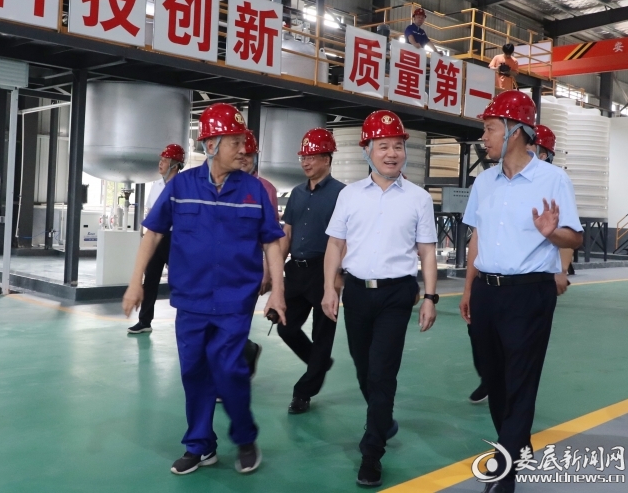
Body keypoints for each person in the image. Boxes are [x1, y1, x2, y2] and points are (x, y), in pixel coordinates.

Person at [122, 103, 286, 476]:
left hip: (235, 301)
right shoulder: (181, 187)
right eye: (234, 142)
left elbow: (272, 242)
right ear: (210, 144)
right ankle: (200, 446)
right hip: (191, 300)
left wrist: (277, 290)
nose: (243, 150)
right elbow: (153, 233)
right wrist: (135, 283)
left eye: (244, 142)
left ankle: (244, 437)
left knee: (229, 369)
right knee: (194, 372)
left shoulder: (253, 190)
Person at [459, 91, 583, 493]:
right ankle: (515, 442)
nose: (484, 137)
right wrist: (468, 287)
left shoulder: (553, 179)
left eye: (490, 128)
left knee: (521, 379)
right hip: (486, 291)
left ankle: (506, 465)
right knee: (495, 377)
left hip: (529, 293)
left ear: (515, 131)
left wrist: (553, 232)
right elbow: (477, 237)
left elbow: (575, 238)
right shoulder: (484, 182)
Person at [321, 111, 438, 487]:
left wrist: (430, 296)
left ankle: (372, 452)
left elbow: (427, 251)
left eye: (398, 146)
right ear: (367, 151)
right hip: (356, 292)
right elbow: (335, 245)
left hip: (396, 294)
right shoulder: (349, 195)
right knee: (363, 368)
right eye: (383, 146)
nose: (392, 153)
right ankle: (383, 421)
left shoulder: (419, 198)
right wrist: (329, 288)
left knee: (382, 372)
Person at [276, 128, 345, 415]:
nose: (306, 162)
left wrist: (337, 278)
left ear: (327, 159)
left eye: (312, 157)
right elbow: (287, 233)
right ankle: (319, 362)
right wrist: (275, 273)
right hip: (296, 270)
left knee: (322, 335)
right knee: (285, 326)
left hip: (323, 271)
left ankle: (303, 392)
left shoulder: (342, 194)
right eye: (303, 157)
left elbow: (346, 239)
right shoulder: (297, 193)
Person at [127, 144, 185, 334]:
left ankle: (187, 319)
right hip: (156, 237)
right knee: (150, 279)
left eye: (165, 160)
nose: (160, 163)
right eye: (161, 160)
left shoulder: (183, 186)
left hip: (175, 239)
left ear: (175, 165)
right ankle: (144, 321)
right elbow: (151, 212)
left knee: (180, 280)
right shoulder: (156, 185)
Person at [534, 124, 576, 284]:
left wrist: (562, 271)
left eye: (529, 146)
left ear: (542, 156)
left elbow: (568, 232)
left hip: (539, 276)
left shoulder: (556, 183)